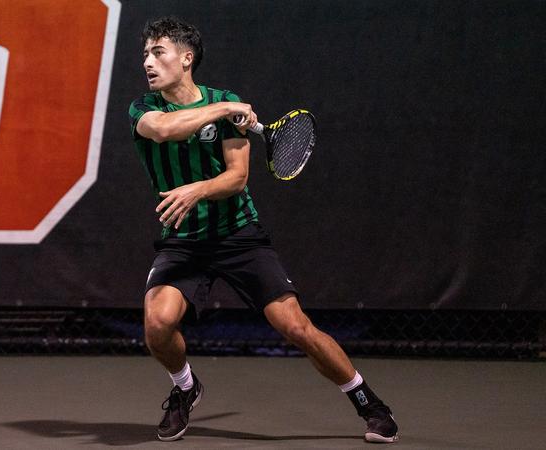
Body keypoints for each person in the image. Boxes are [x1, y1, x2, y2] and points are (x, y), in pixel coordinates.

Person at [128, 16, 399, 443]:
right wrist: (227, 110)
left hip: (238, 234)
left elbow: (237, 178)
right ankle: (185, 388)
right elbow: (164, 131)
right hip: (183, 241)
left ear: (186, 58)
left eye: (158, 52)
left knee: (294, 326)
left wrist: (198, 188)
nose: (148, 61)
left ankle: (370, 403)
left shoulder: (225, 100)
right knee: (157, 324)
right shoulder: (146, 108)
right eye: (145, 53)